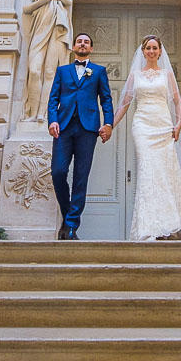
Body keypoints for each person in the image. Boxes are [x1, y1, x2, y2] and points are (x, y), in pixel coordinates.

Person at [115, 35, 181, 240]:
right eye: (147, 48)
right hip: (142, 126)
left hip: (163, 125)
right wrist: (110, 125)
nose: (151, 51)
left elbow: (177, 102)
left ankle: (171, 224)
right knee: (148, 170)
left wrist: (178, 124)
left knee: (166, 173)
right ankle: (149, 227)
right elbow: (124, 103)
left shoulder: (167, 74)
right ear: (143, 51)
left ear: (160, 51)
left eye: (154, 48)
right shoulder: (135, 75)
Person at [47, 32, 114, 240]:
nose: (82, 44)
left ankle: (70, 226)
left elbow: (106, 99)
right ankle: (69, 217)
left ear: (91, 49)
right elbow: (53, 98)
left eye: (86, 42)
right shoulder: (62, 71)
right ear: (74, 47)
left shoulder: (99, 71)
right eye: (79, 41)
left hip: (87, 129)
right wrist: (52, 120)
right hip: (64, 127)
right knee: (58, 172)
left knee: (80, 178)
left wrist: (108, 123)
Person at [21, 0, 72, 122]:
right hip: (39, 29)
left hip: (57, 30)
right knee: (34, 70)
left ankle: (44, 113)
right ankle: (32, 113)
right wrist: (41, 2)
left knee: (51, 72)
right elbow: (26, 9)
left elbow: (68, 0)